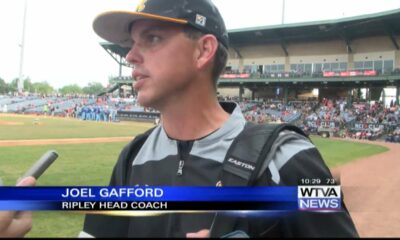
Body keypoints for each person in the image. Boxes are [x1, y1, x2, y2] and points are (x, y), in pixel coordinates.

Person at [79, 0, 359, 238]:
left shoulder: (293, 155)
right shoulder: (131, 158)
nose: (130, 56)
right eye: (131, 43)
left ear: (203, 51)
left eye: (152, 38)